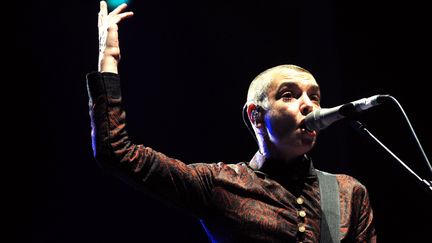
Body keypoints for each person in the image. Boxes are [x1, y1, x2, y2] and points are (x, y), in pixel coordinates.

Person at [86, 1, 377, 242]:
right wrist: (108, 58)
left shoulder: (348, 193)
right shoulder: (219, 185)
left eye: (314, 97)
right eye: (289, 95)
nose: (308, 105)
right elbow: (116, 152)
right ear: (255, 115)